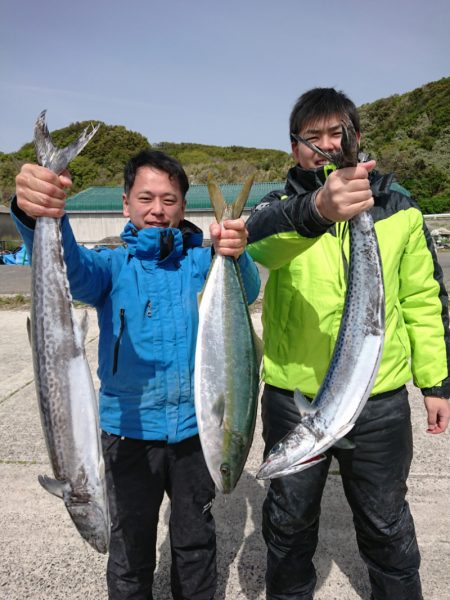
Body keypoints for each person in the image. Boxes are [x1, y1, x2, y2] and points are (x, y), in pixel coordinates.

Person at [12, 148, 260, 600]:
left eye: (170, 199)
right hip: (127, 434)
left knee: (195, 543)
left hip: (195, 435)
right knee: (129, 549)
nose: (158, 209)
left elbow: (250, 287)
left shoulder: (202, 263)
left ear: (184, 206)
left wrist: (235, 253)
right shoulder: (110, 267)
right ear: (126, 202)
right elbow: (67, 264)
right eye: (146, 198)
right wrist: (37, 216)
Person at [245, 87, 450, 600]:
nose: (326, 146)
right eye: (312, 138)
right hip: (295, 398)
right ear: (294, 148)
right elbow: (259, 247)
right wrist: (317, 208)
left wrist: (436, 381)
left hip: (377, 400)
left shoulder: (399, 207)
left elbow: (424, 300)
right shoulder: (278, 208)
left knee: (386, 526)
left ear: (356, 138)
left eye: (337, 134)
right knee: (288, 527)